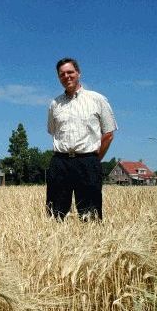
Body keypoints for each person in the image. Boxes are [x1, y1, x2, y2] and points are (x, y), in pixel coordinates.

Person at [46, 58, 117, 221]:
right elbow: (53, 132)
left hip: (88, 162)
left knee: (90, 215)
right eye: (62, 74)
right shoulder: (54, 104)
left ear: (78, 73)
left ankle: (91, 245)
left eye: (70, 72)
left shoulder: (97, 99)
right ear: (59, 77)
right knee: (55, 216)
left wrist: (94, 159)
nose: (66, 76)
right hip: (60, 163)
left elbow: (108, 134)